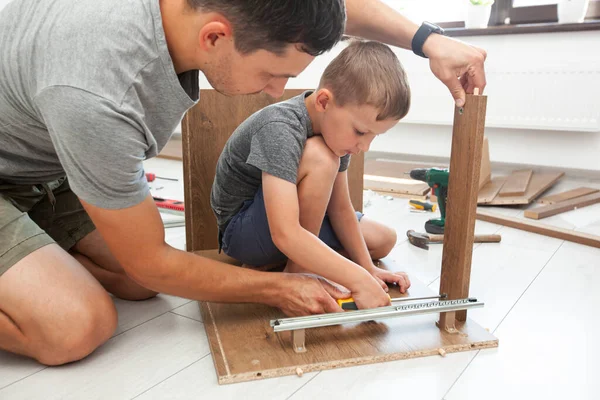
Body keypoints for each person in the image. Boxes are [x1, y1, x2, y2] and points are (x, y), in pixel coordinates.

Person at [0, 0, 487, 366]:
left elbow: (325, 7)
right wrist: (280, 289)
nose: (280, 92)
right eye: (274, 74)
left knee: (134, 284)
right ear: (215, 37)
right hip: (28, 159)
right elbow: (152, 260)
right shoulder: (95, 87)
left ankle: (34, 257)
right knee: (77, 326)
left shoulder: (227, 12)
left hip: (49, 165)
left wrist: (429, 40)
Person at [212, 40, 412, 309]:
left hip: (291, 227)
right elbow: (284, 232)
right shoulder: (280, 128)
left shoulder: (335, 135)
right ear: (323, 101)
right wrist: (356, 280)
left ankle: (288, 263)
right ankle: (295, 275)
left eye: (374, 137)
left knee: (383, 240)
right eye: (361, 132)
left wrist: (367, 270)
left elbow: (341, 210)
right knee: (321, 156)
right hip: (244, 233)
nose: (364, 147)